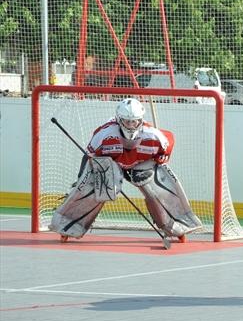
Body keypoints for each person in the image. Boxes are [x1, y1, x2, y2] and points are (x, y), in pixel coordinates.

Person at [50, 97, 202, 241]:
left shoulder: (154, 136)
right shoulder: (103, 134)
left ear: (141, 120)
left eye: (135, 121)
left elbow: (168, 143)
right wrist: (81, 180)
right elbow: (89, 157)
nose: (131, 125)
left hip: (140, 164)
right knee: (98, 187)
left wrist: (161, 159)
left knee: (155, 184)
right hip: (113, 164)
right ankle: (69, 224)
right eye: (127, 121)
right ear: (119, 119)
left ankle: (175, 224)